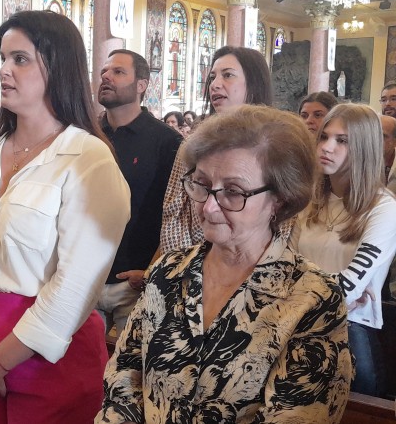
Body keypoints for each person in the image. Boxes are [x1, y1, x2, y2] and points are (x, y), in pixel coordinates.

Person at [98, 105, 352, 423]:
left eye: (233, 192)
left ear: (281, 198)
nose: (209, 207)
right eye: (202, 184)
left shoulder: (312, 298)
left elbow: (298, 414)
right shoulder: (167, 272)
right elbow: (124, 378)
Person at [0, 10, 130, 423]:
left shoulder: (87, 158)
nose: (4, 70)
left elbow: (75, 285)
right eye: (3, 58)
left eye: (20, 59)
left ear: (57, 67)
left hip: (47, 354)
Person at [291, 104, 396, 398]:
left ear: (364, 148)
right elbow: (280, 269)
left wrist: (302, 288)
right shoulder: (310, 201)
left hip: (349, 332)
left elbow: (348, 289)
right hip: (294, 328)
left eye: (342, 141)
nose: (326, 147)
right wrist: (330, 290)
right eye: (324, 137)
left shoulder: (383, 208)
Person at [95, 49, 182, 337]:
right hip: (87, 275)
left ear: (141, 85)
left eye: (118, 72)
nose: (106, 76)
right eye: (104, 71)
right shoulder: (87, 135)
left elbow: (174, 213)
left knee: (131, 362)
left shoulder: (166, 141)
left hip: (134, 281)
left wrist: (151, 270)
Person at [161, 46, 274, 254]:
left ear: (254, 82)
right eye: (212, 77)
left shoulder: (275, 144)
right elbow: (174, 213)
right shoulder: (195, 143)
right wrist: (185, 264)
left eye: (227, 75)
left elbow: (285, 219)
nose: (215, 85)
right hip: (196, 256)